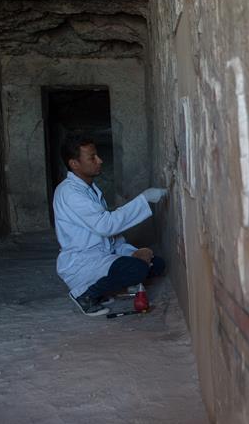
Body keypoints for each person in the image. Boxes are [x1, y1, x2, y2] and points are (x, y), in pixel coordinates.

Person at [53, 133, 168, 316]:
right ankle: (85, 294)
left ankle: (100, 290)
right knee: (136, 269)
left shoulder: (89, 189)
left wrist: (132, 252)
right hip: (82, 263)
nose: (100, 160)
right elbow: (106, 226)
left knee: (157, 264)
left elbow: (111, 239)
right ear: (74, 164)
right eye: (92, 157)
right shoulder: (69, 193)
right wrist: (143, 199)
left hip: (102, 257)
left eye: (97, 155)